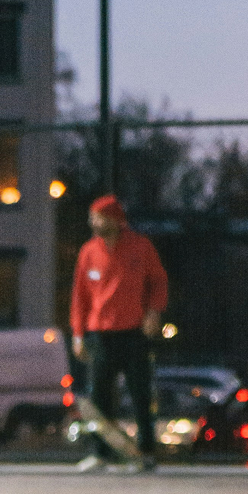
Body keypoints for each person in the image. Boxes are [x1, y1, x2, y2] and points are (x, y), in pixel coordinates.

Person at [69, 193, 169, 471]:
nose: (93, 223)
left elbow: (159, 282)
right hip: (100, 334)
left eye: (98, 217)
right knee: (100, 396)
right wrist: (78, 334)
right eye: (92, 218)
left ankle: (146, 452)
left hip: (134, 332)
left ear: (114, 219)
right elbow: (80, 296)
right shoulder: (89, 252)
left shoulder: (141, 247)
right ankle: (102, 452)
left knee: (140, 393)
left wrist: (154, 311)